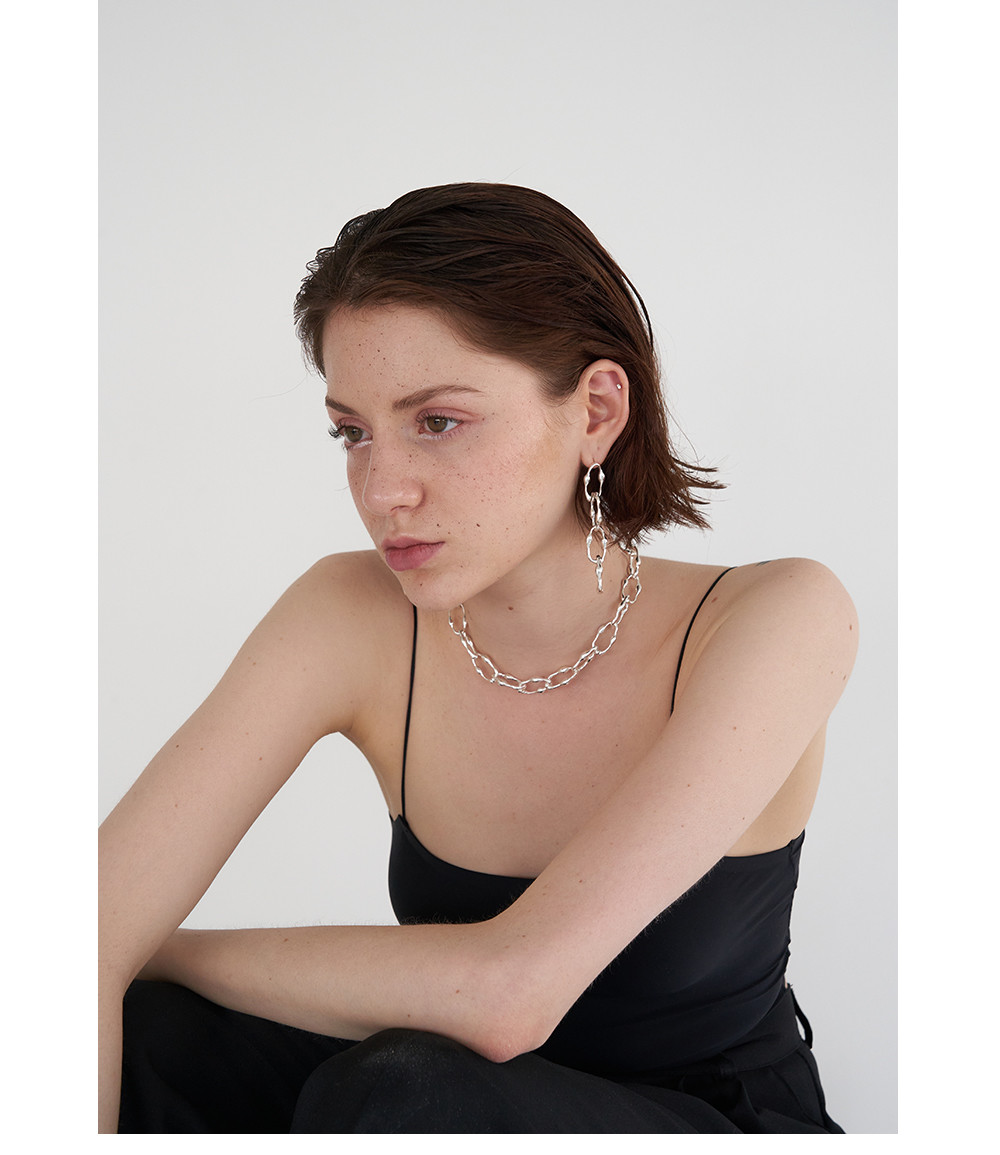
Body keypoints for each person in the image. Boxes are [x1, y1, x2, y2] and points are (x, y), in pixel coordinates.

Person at [102, 171, 858, 1128]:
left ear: (596, 411)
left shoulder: (774, 615)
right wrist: (108, 956)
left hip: (702, 1120)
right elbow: (74, 939)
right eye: (352, 432)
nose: (383, 489)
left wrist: (151, 947)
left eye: (438, 421)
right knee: (151, 1031)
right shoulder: (351, 612)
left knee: (401, 1084)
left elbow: (508, 993)